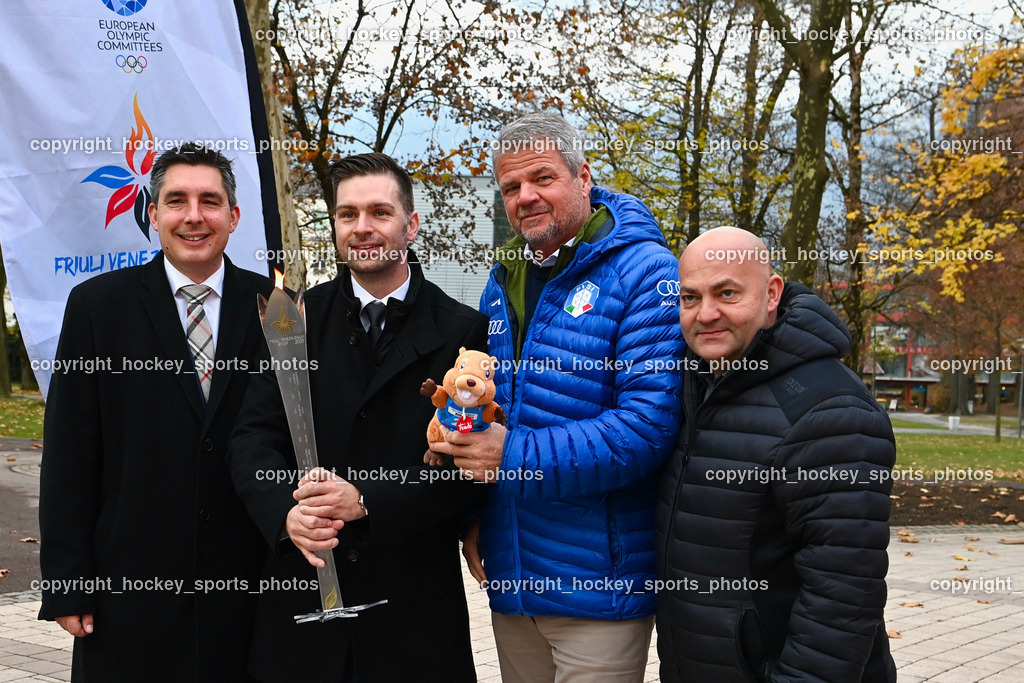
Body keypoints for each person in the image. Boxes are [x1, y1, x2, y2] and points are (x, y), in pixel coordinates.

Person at [428, 112, 685, 681]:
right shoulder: (507, 278)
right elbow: (494, 411)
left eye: (542, 178)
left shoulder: (646, 273)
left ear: (584, 177)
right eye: (511, 187)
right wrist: (476, 518)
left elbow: (646, 429)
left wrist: (509, 456)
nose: (526, 197)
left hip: (598, 587)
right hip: (513, 577)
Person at [228, 152, 486, 682]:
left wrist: (367, 500)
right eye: (347, 215)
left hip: (412, 611)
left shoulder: (464, 331)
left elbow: (469, 469)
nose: (362, 228)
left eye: (379, 212)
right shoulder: (290, 318)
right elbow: (252, 437)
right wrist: (284, 514)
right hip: (303, 600)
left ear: (410, 225)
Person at [38, 142, 274, 681]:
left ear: (234, 217)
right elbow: (71, 452)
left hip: (247, 589)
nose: (194, 216)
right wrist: (70, 580)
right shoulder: (97, 306)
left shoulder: (278, 309)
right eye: (177, 201)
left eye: (210, 201)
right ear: (153, 213)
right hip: (129, 587)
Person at [656, 226, 896, 682]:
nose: (706, 314)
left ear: (772, 294)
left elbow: (843, 597)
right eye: (690, 298)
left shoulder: (831, 410)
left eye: (726, 293)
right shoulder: (694, 384)